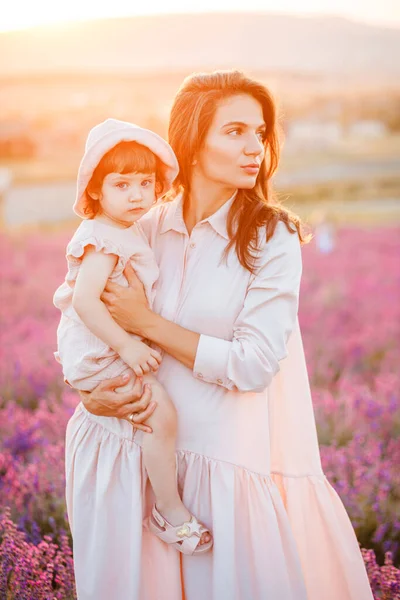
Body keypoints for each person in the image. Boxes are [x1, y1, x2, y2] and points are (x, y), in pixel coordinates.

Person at [66, 71, 374, 599]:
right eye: (234, 131)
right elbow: (83, 317)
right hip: (124, 460)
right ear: (190, 140)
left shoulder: (269, 237)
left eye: (260, 132)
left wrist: (148, 324)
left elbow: (253, 364)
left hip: (221, 475)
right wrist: (89, 394)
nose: (254, 147)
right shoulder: (140, 225)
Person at [53, 118, 213, 563]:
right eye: (122, 185)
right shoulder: (104, 240)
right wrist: (127, 347)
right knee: (160, 416)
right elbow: (86, 302)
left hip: (104, 345)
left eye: (146, 183)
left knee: (151, 418)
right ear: (95, 192)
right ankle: (169, 511)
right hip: (102, 350)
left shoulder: (125, 229)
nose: (137, 195)